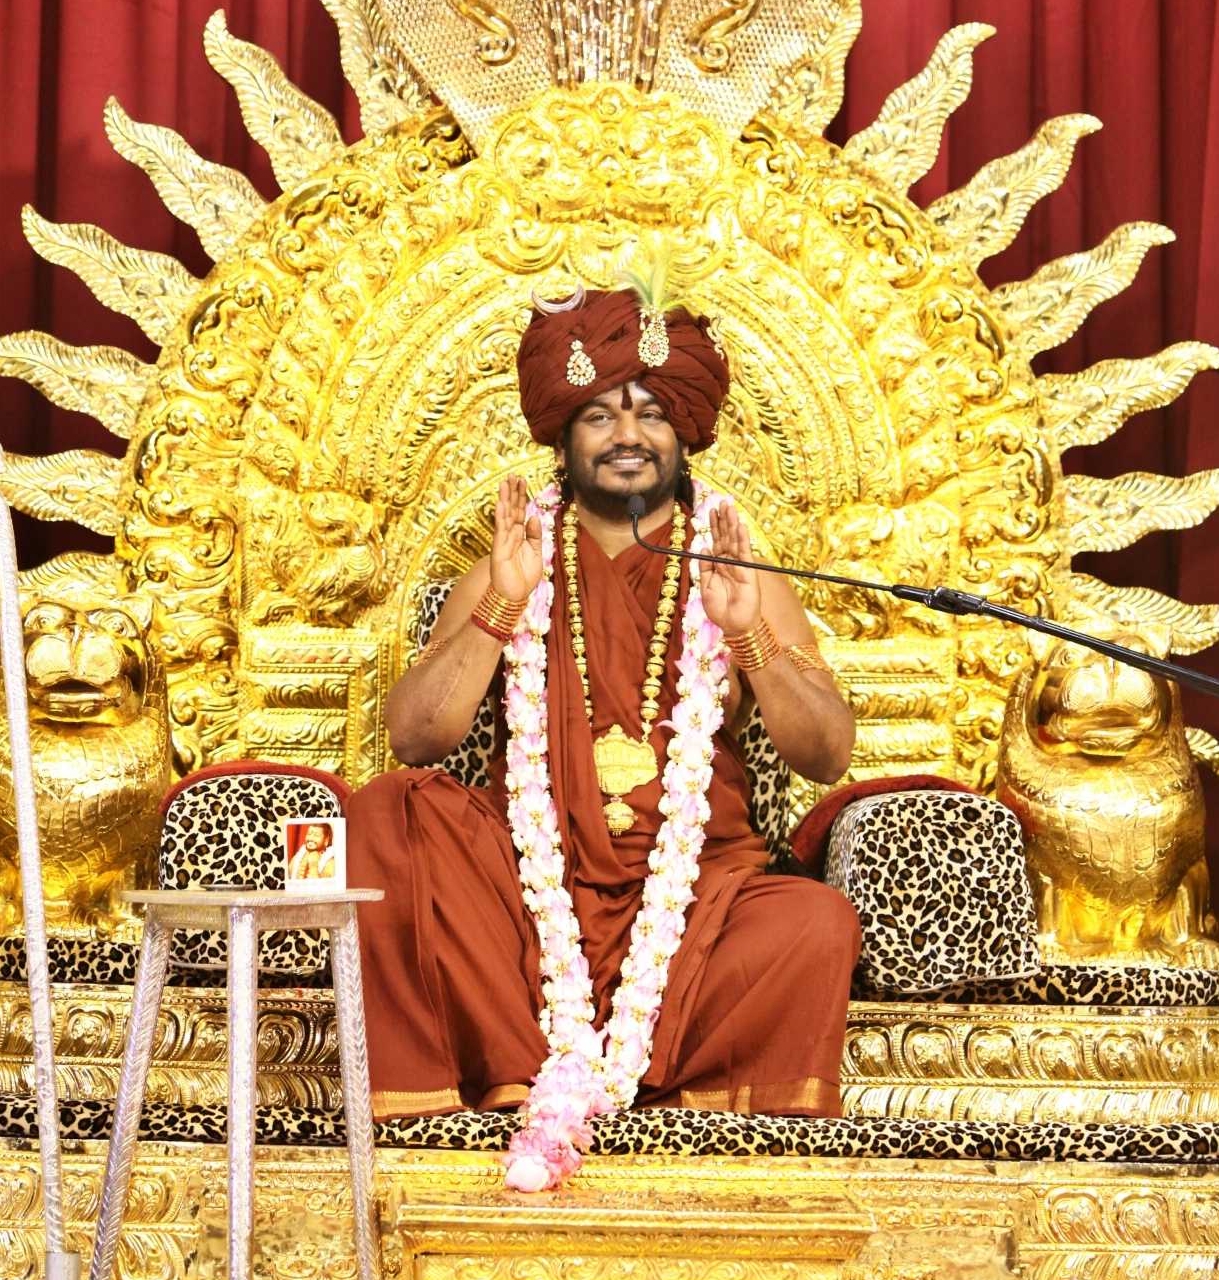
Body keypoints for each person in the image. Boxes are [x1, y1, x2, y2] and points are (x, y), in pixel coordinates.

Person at [348, 286, 862, 1123]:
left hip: (696, 901)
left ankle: (649, 1092)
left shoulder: (737, 573)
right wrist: (502, 604)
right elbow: (415, 737)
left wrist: (749, 641)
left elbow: (826, 754)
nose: (628, 435)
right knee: (394, 807)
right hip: (523, 895)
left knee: (815, 922)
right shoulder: (510, 565)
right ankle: (517, 1079)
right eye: (599, 416)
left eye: (652, 413)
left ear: (684, 432)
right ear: (562, 436)